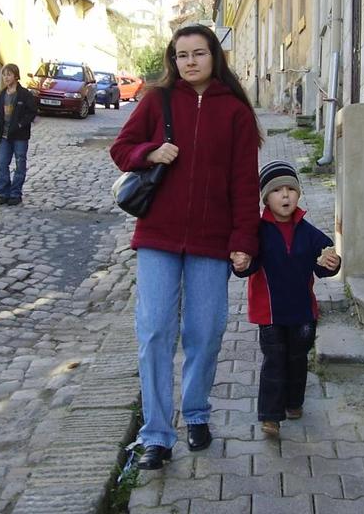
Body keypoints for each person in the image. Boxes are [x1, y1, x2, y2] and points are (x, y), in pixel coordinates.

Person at [109, 24, 262, 470]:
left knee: (206, 331)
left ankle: (196, 412)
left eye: (198, 53)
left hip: (211, 241)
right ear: (173, 60)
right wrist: (150, 153)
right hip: (158, 235)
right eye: (182, 55)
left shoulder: (234, 112)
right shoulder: (156, 100)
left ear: (214, 56)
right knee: (155, 330)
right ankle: (156, 434)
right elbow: (122, 148)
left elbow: (244, 183)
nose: (190, 61)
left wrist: (244, 240)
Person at [233, 160, 341, 437]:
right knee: (274, 360)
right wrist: (242, 263)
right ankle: (270, 416)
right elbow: (248, 265)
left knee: (297, 358)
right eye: (277, 190)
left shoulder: (308, 231)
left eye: (290, 189)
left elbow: (323, 261)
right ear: (265, 199)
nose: (285, 195)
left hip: (302, 311)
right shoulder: (258, 232)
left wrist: (332, 262)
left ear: (298, 195)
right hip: (269, 312)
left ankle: (294, 402)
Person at [0, 63, 37, 206]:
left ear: (16, 76)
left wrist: (20, 124)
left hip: (20, 136)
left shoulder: (24, 94)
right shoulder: (2, 95)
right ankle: (3, 193)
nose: (6, 78)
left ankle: (15, 193)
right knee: (2, 164)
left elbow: (32, 112)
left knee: (20, 163)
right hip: (4, 135)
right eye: (4, 75)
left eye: (9, 75)